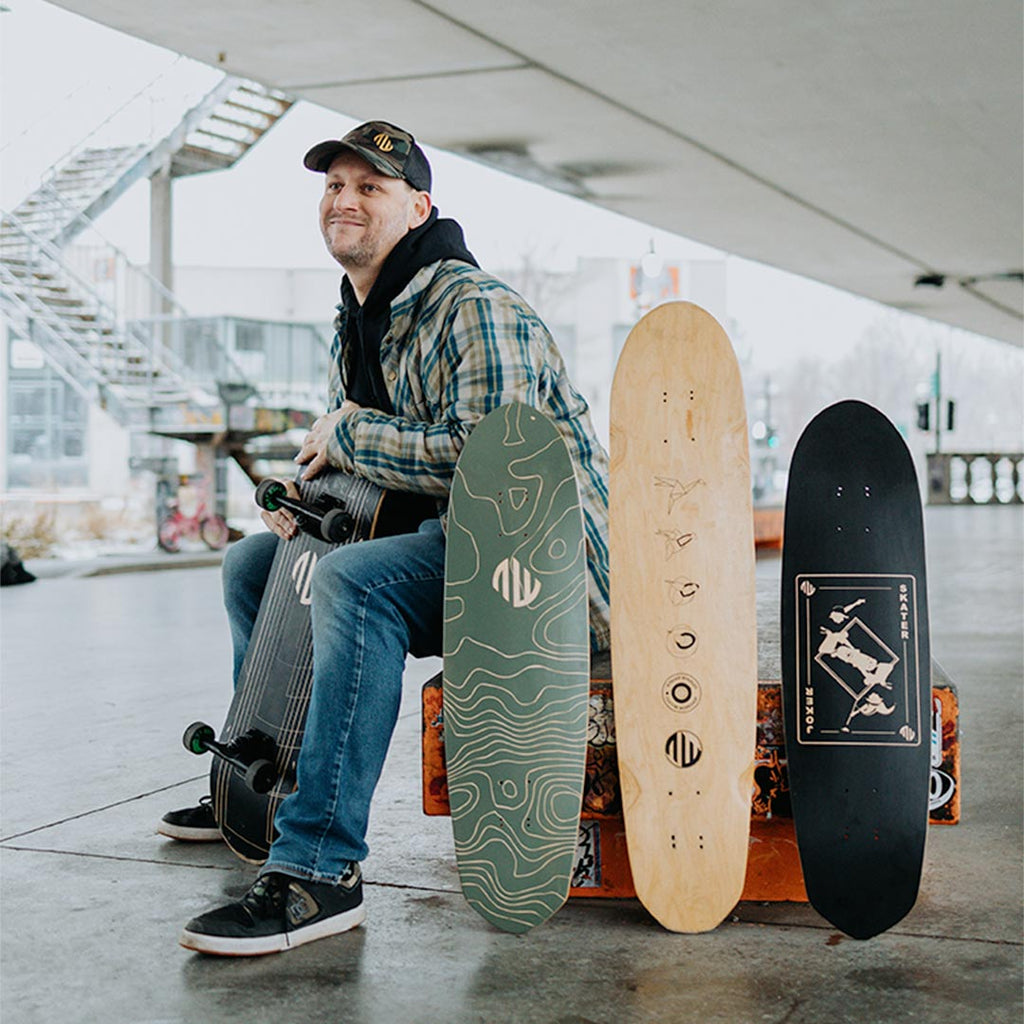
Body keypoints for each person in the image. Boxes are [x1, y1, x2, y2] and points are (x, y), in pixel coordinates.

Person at [165, 121, 611, 957]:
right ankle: (258, 789)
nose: (345, 199)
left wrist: (347, 438)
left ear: (419, 207)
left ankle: (320, 868)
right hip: (446, 546)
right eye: (335, 185)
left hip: (538, 570)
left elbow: (498, 467)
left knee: (352, 583)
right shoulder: (357, 318)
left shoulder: (475, 309)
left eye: (370, 187)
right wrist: (304, 498)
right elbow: (357, 457)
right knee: (256, 566)